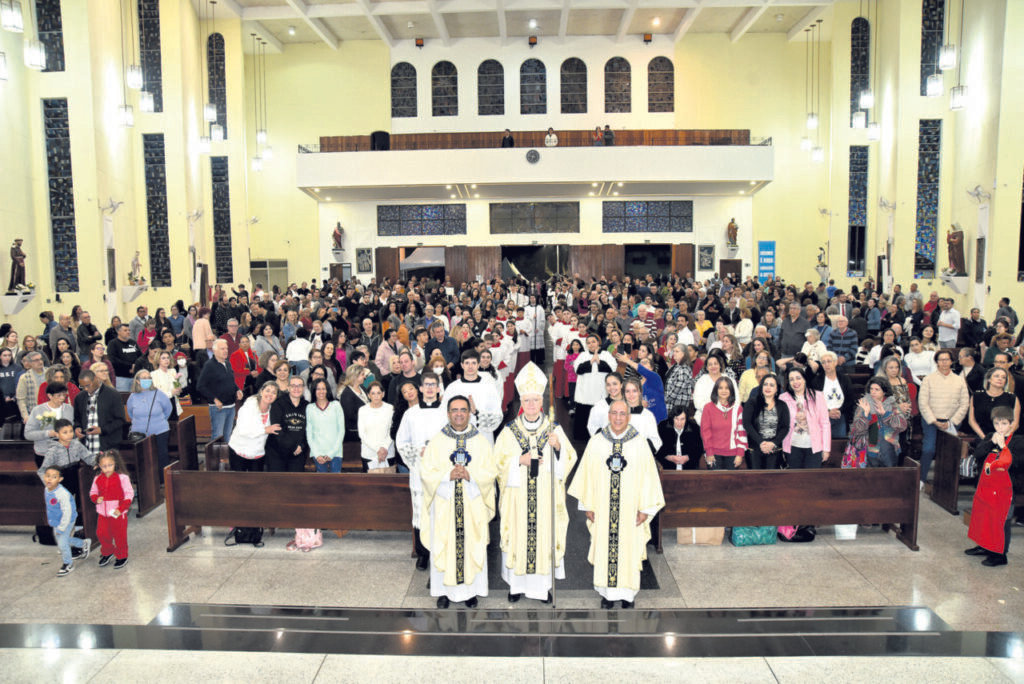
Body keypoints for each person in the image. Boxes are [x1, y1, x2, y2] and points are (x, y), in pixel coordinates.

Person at [493, 363, 577, 604]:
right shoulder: (509, 431)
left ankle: (542, 588)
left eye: (535, 400)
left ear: (542, 401)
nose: (531, 404)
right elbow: (497, 463)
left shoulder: (554, 430)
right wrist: (518, 460)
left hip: (544, 498)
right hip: (517, 499)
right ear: (521, 402)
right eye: (527, 400)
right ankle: (515, 586)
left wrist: (558, 448)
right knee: (518, 537)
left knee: (543, 539)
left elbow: (569, 459)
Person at [569, 399, 664, 609]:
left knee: (628, 548)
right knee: (605, 548)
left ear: (628, 417)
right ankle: (607, 594)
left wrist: (645, 509)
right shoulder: (597, 442)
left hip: (631, 510)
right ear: (608, 415)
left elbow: (649, 478)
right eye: (614, 413)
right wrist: (588, 505)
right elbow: (586, 475)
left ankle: (628, 595)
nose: (618, 418)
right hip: (603, 508)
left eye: (622, 414)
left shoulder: (639, 443)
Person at [420, 395, 497, 609]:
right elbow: (426, 472)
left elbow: (491, 472)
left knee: (471, 546)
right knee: (445, 546)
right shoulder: (437, 441)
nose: (459, 414)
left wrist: (471, 475)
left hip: (472, 504)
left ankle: (471, 592)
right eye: (454, 410)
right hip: (445, 505)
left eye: (463, 410)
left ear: (469, 413)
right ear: (448, 413)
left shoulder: (480, 441)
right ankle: (444, 592)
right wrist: (448, 475)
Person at [395, 372, 447, 570]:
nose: (430, 388)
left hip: (442, 471)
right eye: (427, 385)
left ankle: (442, 551)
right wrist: (418, 454)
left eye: (434, 385)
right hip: (419, 469)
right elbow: (401, 442)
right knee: (421, 511)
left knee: (441, 510)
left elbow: (455, 438)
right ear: (421, 388)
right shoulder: (411, 414)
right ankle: (423, 553)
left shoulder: (446, 411)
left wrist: (438, 452)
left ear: (438, 388)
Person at [965, 406, 1023, 567]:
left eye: (1004, 424)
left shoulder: (1018, 441)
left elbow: (1017, 463)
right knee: (984, 517)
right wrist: (991, 442)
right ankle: (984, 546)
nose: (1000, 427)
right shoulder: (991, 436)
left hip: (1006, 490)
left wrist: (1003, 446)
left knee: (1002, 521)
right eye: (997, 423)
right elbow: (977, 454)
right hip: (986, 487)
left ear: (1011, 424)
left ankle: (1000, 555)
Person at [919, 349, 970, 487]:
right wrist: (934, 421)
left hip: (951, 422)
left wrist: (951, 422)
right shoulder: (928, 379)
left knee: (949, 452)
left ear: (951, 361)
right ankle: (921, 480)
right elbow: (923, 403)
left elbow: (964, 403)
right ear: (936, 362)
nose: (944, 362)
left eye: (946, 359)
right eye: (941, 360)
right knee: (928, 449)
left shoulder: (959, 380)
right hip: (931, 421)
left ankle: (946, 484)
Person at [443, 349, 502, 444]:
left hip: (483, 437)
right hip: (458, 437)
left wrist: (476, 413)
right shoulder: (452, 388)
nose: (470, 366)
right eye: (467, 363)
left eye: (473, 363)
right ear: (462, 365)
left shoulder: (489, 387)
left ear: (478, 364)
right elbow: (444, 414)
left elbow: (496, 416)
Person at [848, 377, 908, 468]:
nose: (873, 392)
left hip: (889, 449)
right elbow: (856, 430)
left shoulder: (892, 404)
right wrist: (865, 415)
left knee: (890, 475)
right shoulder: (863, 404)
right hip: (868, 450)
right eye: (871, 389)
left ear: (884, 392)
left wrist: (885, 414)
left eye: (877, 389)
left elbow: (902, 426)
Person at [43, 465, 92, 577]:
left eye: (54, 477)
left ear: (60, 479)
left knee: (62, 544)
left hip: (67, 520)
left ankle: (68, 564)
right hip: (56, 520)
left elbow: (67, 513)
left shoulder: (62, 494)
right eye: (48, 476)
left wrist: (61, 527)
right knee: (63, 540)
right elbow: (50, 506)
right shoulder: (46, 489)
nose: (50, 479)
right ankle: (83, 543)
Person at [90, 450, 134, 569]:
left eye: (110, 465)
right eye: (104, 466)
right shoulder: (97, 478)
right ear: (99, 466)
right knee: (101, 533)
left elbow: (129, 494)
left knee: (119, 536)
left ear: (115, 464)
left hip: (118, 513)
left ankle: (122, 555)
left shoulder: (122, 478)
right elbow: (93, 492)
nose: (107, 468)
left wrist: (121, 508)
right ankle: (108, 552)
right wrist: (96, 498)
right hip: (103, 513)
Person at [780, 366, 831, 469]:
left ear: (804, 379)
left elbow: (825, 423)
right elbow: (781, 425)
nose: (795, 382)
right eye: (791, 379)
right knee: (795, 477)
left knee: (812, 478)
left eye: (798, 378)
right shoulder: (783, 398)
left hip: (814, 447)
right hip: (792, 446)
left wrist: (826, 449)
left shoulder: (818, 396)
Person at [126, 370, 173, 474]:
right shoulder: (132, 397)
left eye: (149, 378)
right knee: (142, 459)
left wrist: (158, 421)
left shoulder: (159, 394)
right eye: (144, 378)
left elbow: (168, 409)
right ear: (137, 381)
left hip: (160, 431)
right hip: (139, 434)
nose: (147, 380)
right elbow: (130, 413)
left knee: (162, 457)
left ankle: (163, 480)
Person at [227, 382, 281, 471]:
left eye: (274, 393)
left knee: (256, 479)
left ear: (276, 397)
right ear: (261, 392)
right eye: (267, 391)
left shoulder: (273, 409)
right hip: (239, 451)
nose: (270, 394)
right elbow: (243, 430)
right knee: (239, 479)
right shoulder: (250, 405)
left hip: (258, 453)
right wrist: (265, 430)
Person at [73, 368, 125, 459]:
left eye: (88, 385)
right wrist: (77, 428)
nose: (85, 389)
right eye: (82, 387)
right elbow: (77, 419)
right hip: (87, 445)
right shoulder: (79, 397)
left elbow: (120, 420)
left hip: (108, 444)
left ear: (96, 379)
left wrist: (102, 430)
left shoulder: (113, 395)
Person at [197, 339, 243, 442]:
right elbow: (200, 386)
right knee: (218, 436)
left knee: (228, 436)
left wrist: (238, 390)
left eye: (226, 348)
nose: (226, 351)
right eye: (222, 349)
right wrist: (214, 399)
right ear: (215, 351)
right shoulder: (209, 365)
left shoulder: (227, 363)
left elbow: (230, 381)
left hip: (231, 406)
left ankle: (226, 453)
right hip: (218, 408)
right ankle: (215, 454)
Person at [572, 334, 617, 440]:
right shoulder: (582, 355)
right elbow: (577, 369)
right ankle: (582, 437)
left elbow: (613, 368)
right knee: (583, 416)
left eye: (593, 342)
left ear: (598, 342)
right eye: (588, 343)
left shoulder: (606, 354)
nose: (591, 344)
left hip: (600, 391)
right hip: (585, 392)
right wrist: (591, 361)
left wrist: (599, 361)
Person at [742, 373, 790, 470]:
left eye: (772, 385)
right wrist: (761, 442)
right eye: (765, 384)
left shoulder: (782, 405)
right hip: (754, 449)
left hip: (774, 449)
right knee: (755, 478)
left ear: (777, 389)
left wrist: (773, 443)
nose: (768, 387)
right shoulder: (751, 402)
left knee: (772, 478)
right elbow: (747, 424)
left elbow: (785, 427)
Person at [700, 377, 748, 470]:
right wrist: (709, 452)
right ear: (716, 390)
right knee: (715, 479)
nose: (724, 391)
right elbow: (705, 432)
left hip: (733, 454)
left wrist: (740, 454)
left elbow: (741, 433)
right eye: (720, 388)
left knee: (731, 480)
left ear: (731, 391)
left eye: (727, 388)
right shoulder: (708, 408)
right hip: (713, 454)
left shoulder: (738, 408)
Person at [266, 376, 309, 473]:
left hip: (298, 452)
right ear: (288, 388)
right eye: (293, 386)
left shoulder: (307, 406)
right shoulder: (278, 404)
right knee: (277, 481)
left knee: (295, 481)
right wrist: (293, 446)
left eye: (299, 386)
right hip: (277, 452)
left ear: (303, 388)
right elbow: (277, 429)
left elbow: (309, 429)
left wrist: (302, 445)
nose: (296, 389)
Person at [25, 382, 74, 459]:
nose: (62, 398)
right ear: (50, 396)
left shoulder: (69, 409)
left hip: (66, 453)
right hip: (44, 453)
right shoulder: (38, 410)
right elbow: (28, 434)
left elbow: (73, 428)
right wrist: (48, 433)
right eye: (59, 395)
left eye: (64, 395)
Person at [968, 368, 1020, 439]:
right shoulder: (976, 396)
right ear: (989, 379)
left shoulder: (1012, 398)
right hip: (982, 436)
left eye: (1003, 377)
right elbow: (971, 420)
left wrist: (1002, 437)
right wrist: (985, 438)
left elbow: (1015, 424)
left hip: (1005, 437)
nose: (1000, 379)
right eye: (996, 376)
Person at [306, 378, 345, 473]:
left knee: (336, 481)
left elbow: (341, 431)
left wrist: (332, 453)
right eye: (318, 389)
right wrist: (317, 454)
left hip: (335, 452)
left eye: (323, 388)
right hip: (318, 453)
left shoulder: (336, 405)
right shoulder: (310, 408)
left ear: (327, 390)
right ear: (314, 391)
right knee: (321, 481)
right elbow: (309, 433)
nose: (321, 391)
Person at [357, 381, 395, 471]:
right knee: (369, 480)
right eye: (373, 393)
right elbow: (362, 434)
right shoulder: (363, 410)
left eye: (378, 393)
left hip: (387, 453)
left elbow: (392, 431)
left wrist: (384, 447)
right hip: (369, 453)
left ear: (383, 394)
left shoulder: (390, 408)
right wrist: (378, 449)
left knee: (388, 479)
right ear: (368, 395)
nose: (376, 396)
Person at [655, 406, 703, 471]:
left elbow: (699, 448)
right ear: (672, 418)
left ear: (686, 419)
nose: (679, 422)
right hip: (666, 468)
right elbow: (656, 447)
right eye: (676, 419)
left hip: (689, 468)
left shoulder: (694, 428)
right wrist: (668, 457)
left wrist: (688, 457)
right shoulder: (662, 427)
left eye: (682, 419)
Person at [106, 324, 141, 391]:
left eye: (129, 330)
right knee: (123, 396)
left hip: (135, 377)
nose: (128, 332)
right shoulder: (113, 344)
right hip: (121, 378)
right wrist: (130, 366)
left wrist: (136, 366)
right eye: (125, 330)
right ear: (118, 332)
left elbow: (140, 356)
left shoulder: (133, 342)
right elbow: (113, 360)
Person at [15, 351, 47, 422]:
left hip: (51, 411)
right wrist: (25, 416)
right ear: (30, 363)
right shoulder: (24, 377)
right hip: (33, 413)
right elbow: (21, 399)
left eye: (41, 359)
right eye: (36, 360)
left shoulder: (50, 373)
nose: (40, 362)